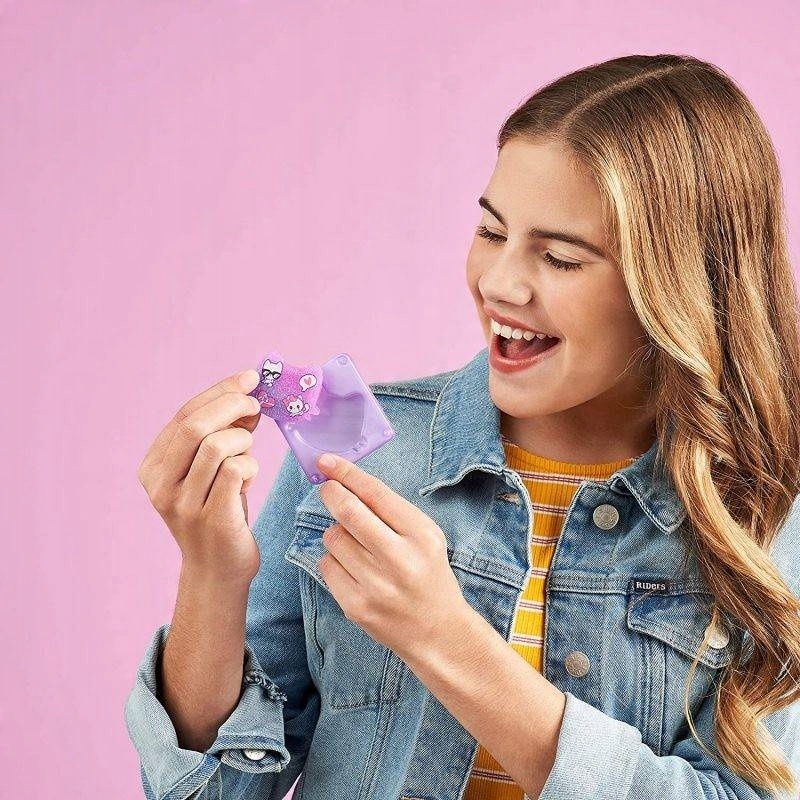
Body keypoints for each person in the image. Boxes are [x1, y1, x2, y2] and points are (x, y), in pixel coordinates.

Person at [124, 53, 800, 800]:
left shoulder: (768, 513)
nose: (500, 284)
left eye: (560, 258)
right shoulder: (365, 446)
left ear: (679, 284)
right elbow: (216, 793)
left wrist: (444, 639)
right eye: (491, 231)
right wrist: (212, 574)